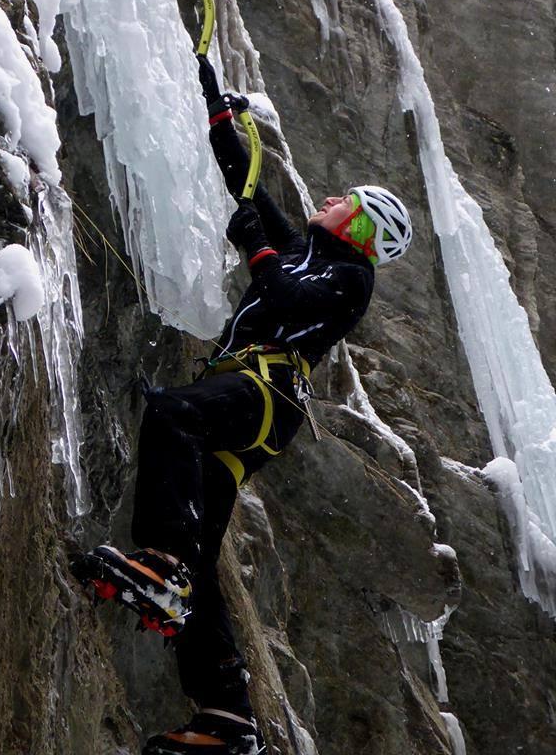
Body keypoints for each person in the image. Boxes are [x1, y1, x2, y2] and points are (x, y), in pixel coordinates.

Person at [76, 58, 412, 755]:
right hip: (251, 409)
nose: (329, 198)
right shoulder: (303, 246)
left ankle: (162, 566)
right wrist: (211, 100)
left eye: (344, 198)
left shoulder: (351, 276)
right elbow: (245, 180)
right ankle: (227, 712)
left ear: (362, 226)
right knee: (204, 553)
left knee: (172, 412)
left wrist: (256, 246)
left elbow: (291, 300)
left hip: (266, 394)